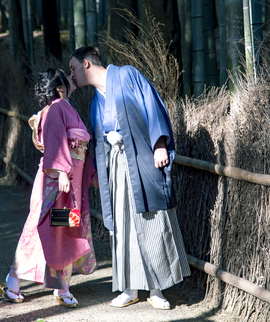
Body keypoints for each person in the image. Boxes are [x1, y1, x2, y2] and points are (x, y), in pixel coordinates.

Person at [69, 46, 190, 310]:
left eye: (73, 69)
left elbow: (152, 105)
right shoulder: (95, 101)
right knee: (122, 225)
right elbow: (96, 142)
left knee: (151, 219)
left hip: (141, 159)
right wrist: (99, 172)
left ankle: (157, 289)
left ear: (87, 64)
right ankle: (130, 287)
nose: (72, 75)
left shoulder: (127, 75)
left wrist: (159, 144)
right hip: (115, 164)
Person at [0, 68, 98, 307]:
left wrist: (89, 172)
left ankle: (58, 287)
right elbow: (55, 141)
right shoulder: (57, 108)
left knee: (63, 231)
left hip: (66, 182)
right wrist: (62, 171)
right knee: (43, 229)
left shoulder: (62, 108)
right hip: (56, 185)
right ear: (60, 87)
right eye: (66, 75)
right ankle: (16, 280)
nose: (71, 77)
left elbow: (76, 147)